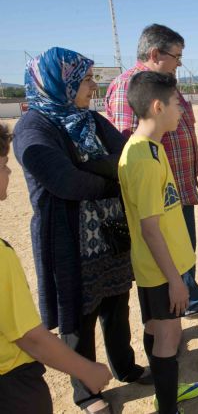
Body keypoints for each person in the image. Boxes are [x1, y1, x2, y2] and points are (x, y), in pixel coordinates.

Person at [13, 47, 150, 414]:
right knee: (79, 317)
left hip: (109, 233)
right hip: (69, 242)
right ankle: (87, 391)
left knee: (117, 302)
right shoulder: (34, 127)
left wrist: (91, 164)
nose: (93, 85)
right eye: (87, 79)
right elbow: (66, 183)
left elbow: (126, 157)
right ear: (62, 82)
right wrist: (108, 178)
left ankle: (125, 366)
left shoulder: (87, 119)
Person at [105, 24, 198, 320]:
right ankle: (168, 319)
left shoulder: (164, 82)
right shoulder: (127, 86)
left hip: (178, 188)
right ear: (156, 53)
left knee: (183, 250)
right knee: (164, 255)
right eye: (176, 56)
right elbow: (127, 145)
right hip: (157, 195)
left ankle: (188, 303)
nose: (180, 63)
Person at [1, 123, 112, 414]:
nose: (10, 173)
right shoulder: (1, 257)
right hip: (13, 385)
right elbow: (30, 337)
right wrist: (86, 370)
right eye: (3, 167)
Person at [118, 72, 198, 414]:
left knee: (157, 328)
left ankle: (165, 392)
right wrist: (174, 281)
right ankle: (167, 407)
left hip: (164, 266)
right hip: (160, 271)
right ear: (157, 106)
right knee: (169, 338)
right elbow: (150, 229)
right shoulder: (141, 157)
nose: (182, 112)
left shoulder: (153, 148)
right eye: (176, 104)